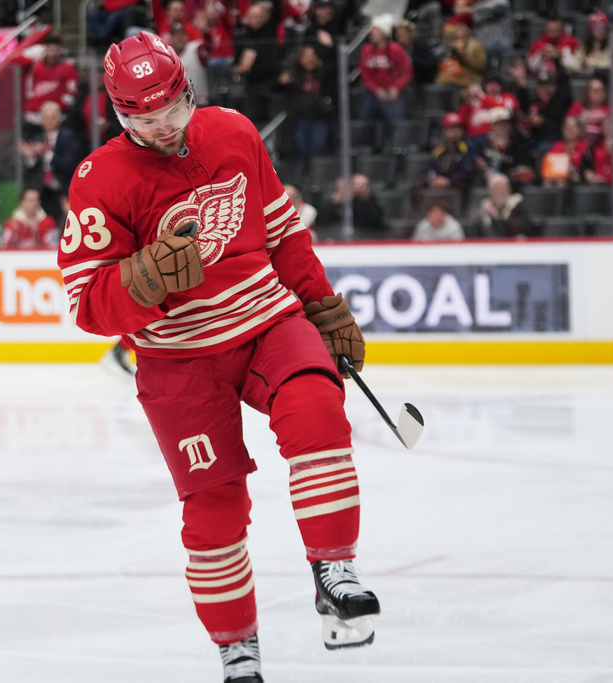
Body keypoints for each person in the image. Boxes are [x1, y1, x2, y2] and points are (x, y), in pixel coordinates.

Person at [59, 32, 378, 683]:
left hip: (268, 321)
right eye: (144, 116)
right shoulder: (99, 180)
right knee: (215, 508)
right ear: (119, 113)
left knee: (318, 408)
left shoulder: (234, 130)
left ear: (189, 91)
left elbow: (283, 232)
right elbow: (87, 304)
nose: (163, 125)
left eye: (172, 107)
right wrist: (142, 277)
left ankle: (334, 567)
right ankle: (237, 649)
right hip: (179, 360)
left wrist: (322, 306)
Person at [358, 13, 413, 141]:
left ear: (384, 32)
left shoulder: (396, 49)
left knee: (398, 121)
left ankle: (396, 146)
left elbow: (406, 71)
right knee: (364, 120)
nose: (372, 32)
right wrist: (376, 89)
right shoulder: (367, 50)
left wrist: (396, 88)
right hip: (374, 93)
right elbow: (364, 73)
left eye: (375, 30)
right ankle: (368, 146)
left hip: (393, 93)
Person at [279, 44, 336, 160]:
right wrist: (281, 83)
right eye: (307, 56)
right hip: (300, 120)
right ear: (300, 59)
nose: (311, 59)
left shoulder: (323, 74)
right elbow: (277, 90)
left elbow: (335, 69)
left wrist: (330, 47)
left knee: (318, 149)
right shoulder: (293, 76)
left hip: (320, 118)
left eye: (313, 55)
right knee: (302, 150)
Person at [24, 32, 79, 130]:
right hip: (36, 116)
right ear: (45, 49)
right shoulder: (36, 67)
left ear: (60, 49)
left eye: (56, 50)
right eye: (50, 49)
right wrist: (34, 108)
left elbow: (71, 94)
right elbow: (29, 91)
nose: (53, 53)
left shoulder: (68, 68)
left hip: (58, 116)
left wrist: (55, 109)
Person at [470, 172, 535, 238]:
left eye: (503, 189)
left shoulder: (517, 205)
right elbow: (473, 223)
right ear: (490, 192)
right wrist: (483, 216)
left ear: (509, 191)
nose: (500, 193)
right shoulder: (484, 206)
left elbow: (525, 229)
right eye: (496, 189)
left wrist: (497, 218)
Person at [435, 20, 486, 87]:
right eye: (456, 38)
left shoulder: (475, 46)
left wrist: (463, 53)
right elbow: (450, 62)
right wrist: (453, 53)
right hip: (457, 73)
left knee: (446, 79)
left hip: (472, 76)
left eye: (461, 37)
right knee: (441, 77)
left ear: (466, 36)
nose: (458, 40)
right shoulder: (454, 46)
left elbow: (480, 67)